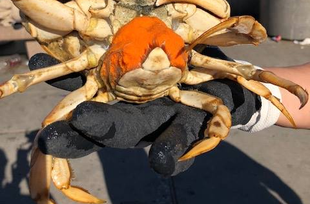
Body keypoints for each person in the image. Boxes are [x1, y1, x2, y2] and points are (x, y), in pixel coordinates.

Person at [28, 47, 310, 177]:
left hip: (180, 86)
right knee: (55, 126)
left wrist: (247, 90)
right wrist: (261, 100)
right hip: (111, 76)